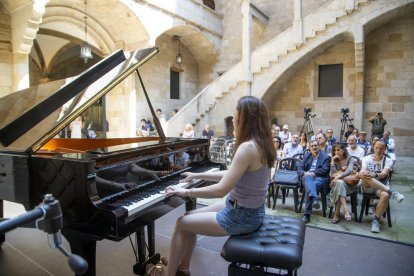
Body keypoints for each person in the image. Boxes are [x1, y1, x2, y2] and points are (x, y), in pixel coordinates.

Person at [161, 96, 275, 276]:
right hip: (250, 210)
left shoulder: (247, 148)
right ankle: (183, 270)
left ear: (244, 118)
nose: (233, 119)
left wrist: (186, 192)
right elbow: (231, 175)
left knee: (181, 223)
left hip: (240, 216)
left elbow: (221, 189)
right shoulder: (262, 144)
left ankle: (169, 274)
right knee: (189, 217)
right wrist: (197, 174)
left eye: (235, 114)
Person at [359, 140, 404, 233]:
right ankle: (392, 192)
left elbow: (384, 174)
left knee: (385, 195)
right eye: (376, 148)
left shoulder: (388, 160)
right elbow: (363, 170)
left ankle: (375, 221)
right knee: (362, 175)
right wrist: (367, 173)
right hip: (368, 186)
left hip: (381, 186)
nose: (378, 150)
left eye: (381, 148)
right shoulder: (367, 158)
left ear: (385, 149)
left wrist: (374, 174)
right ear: (373, 147)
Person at [298, 139, 331, 223]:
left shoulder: (326, 157)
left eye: (315, 145)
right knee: (308, 180)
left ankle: (307, 214)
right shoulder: (306, 156)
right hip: (307, 177)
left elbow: (325, 170)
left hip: (320, 178)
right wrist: (305, 173)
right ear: (309, 148)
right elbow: (300, 168)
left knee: (309, 187)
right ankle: (314, 199)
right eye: (312, 146)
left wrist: (313, 173)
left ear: (319, 146)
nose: (314, 147)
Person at [329, 144, 358, 224]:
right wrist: (332, 161)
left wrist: (338, 177)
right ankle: (346, 210)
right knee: (339, 184)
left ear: (343, 149)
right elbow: (333, 174)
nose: (336, 152)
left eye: (338, 150)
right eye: (335, 150)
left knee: (339, 183)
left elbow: (349, 171)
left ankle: (337, 214)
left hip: (349, 185)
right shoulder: (334, 160)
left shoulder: (350, 159)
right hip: (336, 184)